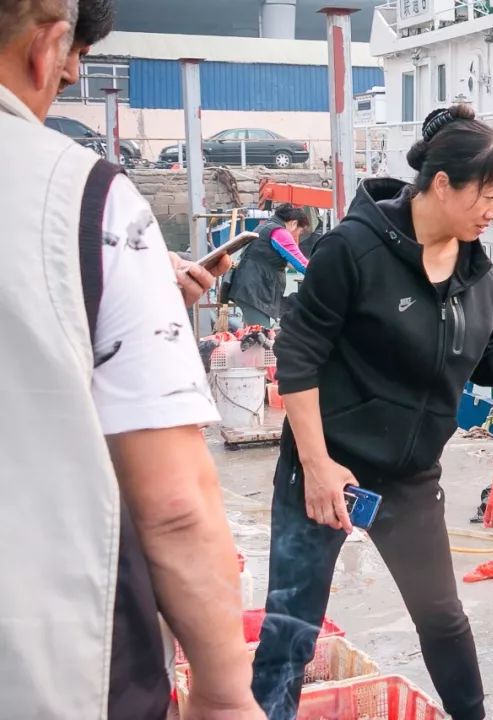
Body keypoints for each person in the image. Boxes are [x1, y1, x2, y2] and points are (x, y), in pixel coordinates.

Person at [251, 104, 493, 720]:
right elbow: (298, 355)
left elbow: (487, 357)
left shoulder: (474, 268)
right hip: (326, 470)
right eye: (487, 196)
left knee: (442, 618)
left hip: (410, 480)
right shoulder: (352, 250)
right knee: (292, 629)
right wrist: (317, 466)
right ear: (442, 184)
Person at [0, 2, 262, 717]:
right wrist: (223, 692)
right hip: (50, 668)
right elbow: (175, 504)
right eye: (74, 56)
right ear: (49, 44)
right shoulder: (84, 200)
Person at [57, 0, 232, 306]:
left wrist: (151, 269)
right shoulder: (94, 187)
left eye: (82, 56)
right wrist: (159, 302)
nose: (72, 74)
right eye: (71, 52)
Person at [226, 203, 310, 327]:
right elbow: (301, 264)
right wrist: (324, 275)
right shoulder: (279, 232)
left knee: (252, 335)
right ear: (293, 223)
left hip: (249, 288)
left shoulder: (265, 227)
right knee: (260, 336)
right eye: (300, 231)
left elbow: (285, 261)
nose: (297, 236)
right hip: (254, 291)